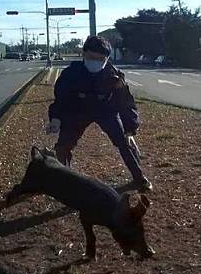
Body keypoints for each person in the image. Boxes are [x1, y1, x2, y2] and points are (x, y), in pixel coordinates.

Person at [46, 36, 153, 192]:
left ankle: (139, 178)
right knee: (63, 146)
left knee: (125, 142)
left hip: (106, 111)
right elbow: (61, 98)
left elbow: (126, 103)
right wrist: (55, 118)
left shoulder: (114, 76)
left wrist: (130, 129)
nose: (95, 62)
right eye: (91, 57)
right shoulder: (71, 74)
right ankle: (66, 181)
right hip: (78, 111)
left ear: (107, 59)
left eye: (100, 59)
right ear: (83, 54)